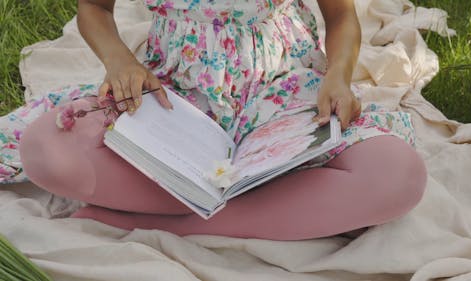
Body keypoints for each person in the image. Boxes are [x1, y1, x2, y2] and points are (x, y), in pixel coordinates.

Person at [12, 0, 426, 240]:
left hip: (285, 82)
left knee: (397, 176)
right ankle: (277, 207)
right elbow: (94, 8)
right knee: (45, 148)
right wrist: (120, 62)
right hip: (175, 87)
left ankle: (165, 222)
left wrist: (337, 77)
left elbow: (340, 16)